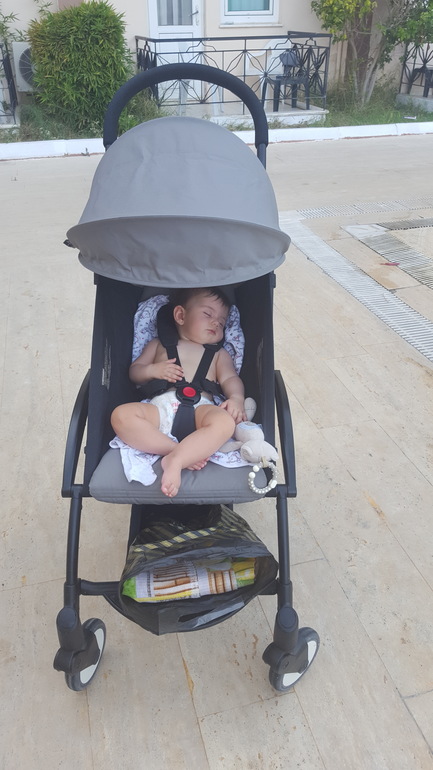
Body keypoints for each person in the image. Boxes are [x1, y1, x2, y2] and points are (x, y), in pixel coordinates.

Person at [111, 287, 246, 498]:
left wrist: (237, 398)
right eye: (208, 314)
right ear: (181, 315)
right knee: (121, 415)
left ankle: (176, 459)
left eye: (221, 322)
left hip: (201, 409)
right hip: (160, 408)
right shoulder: (158, 345)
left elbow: (230, 378)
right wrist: (152, 370)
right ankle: (175, 451)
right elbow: (135, 372)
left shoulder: (219, 354)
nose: (215, 323)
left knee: (225, 423)